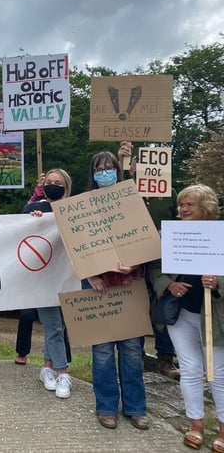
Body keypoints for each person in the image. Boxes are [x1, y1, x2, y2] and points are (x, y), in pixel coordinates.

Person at [148, 184, 223, 450]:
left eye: (190, 204)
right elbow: (156, 267)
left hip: (213, 315)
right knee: (190, 370)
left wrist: (218, 283)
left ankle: (223, 429)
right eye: (181, 204)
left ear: (206, 207)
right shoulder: (170, 234)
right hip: (180, 313)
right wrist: (169, 285)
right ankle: (196, 424)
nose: (184, 209)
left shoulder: (220, 234)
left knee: (218, 372)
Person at [82, 151, 149, 430]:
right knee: (103, 351)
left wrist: (134, 262)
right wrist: (90, 273)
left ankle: (136, 408)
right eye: (100, 168)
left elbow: (145, 237)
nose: (105, 172)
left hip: (129, 283)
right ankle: (106, 406)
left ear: (118, 171)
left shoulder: (132, 200)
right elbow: (78, 245)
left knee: (132, 350)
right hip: (99, 287)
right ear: (93, 173)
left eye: (110, 167)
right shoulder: (82, 206)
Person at [119, 141, 180, 380]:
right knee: (136, 304)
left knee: (163, 303)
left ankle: (166, 357)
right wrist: (123, 158)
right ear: (133, 169)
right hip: (132, 255)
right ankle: (139, 354)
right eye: (138, 164)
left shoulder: (170, 193)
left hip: (161, 258)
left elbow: (179, 223)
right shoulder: (126, 190)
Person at [23, 168, 75, 398]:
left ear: (66, 186)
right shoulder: (34, 209)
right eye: (50, 181)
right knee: (54, 325)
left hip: (68, 276)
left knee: (59, 326)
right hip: (43, 278)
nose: (54, 185)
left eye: (58, 182)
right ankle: (63, 371)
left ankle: (47, 367)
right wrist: (30, 220)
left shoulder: (74, 210)